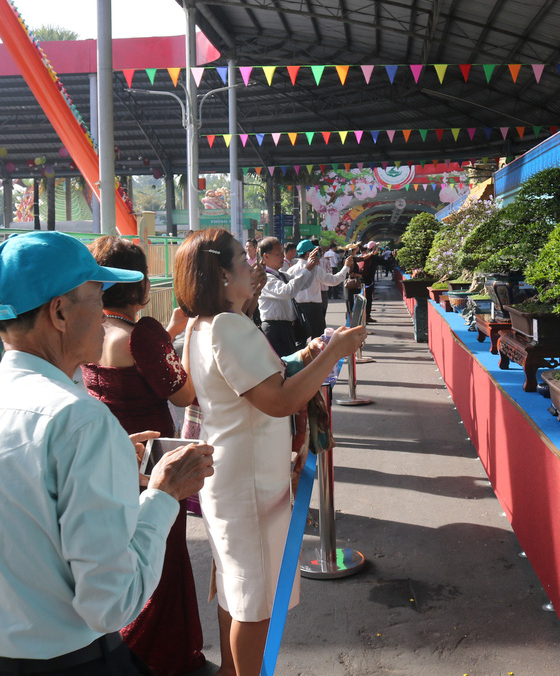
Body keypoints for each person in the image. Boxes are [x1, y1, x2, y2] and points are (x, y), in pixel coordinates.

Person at [0, 231, 215, 676]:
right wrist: (163, 495)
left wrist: (110, 463)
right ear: (59, 312)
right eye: (97, 296)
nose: (103, 314)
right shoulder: (81, 422)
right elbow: (112, 603)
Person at [173, 228, 366, 676]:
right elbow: (278, 400)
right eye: (243, 259)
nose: (253, 266)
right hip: (249, 481)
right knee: (254, 602)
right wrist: (332, 352)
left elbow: (256, 385)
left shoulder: (202, 327)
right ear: (221, 275)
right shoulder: (228, 326)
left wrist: (305, 355)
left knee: (234, 588)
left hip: (230, 474)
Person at [81, 236, 204, 675]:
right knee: (160, 558)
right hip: (155, 464)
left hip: (110, 459)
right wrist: (177, 339)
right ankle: (154, 654)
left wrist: (165, 337)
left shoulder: (91, 330)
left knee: (121, 557)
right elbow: (183, 391)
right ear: (141, 285)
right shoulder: (144, 335)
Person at [257, 236, 316, 357]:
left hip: (286, 328)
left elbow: (304, 285)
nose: (283, 257)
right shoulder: (265, 277)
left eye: (282, 254)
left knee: (289, 366)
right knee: (281, 366)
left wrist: (312, 267)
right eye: (278, 254)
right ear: (266, 256)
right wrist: (307, 269)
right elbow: (288, 291)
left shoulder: (281, 275)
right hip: (275, 329)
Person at [293, 239, 352, 338]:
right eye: (314, 252)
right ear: (308, 254)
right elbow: (333, 281)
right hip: (314, 308)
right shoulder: (315, 269)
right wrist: (346, 267)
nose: (317, 255)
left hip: (298, 309)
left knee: (301, 339)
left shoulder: (291, 269)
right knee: (318, 339)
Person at [358, 241, 381, 323]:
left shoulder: (361, 257)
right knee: (367, 299)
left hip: (361, 281)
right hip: (368, 281)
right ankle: (366, 317)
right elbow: (386, 262)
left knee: (363, 299)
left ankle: (364, 317)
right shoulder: (372, 258)